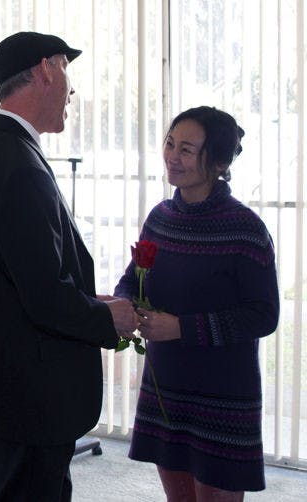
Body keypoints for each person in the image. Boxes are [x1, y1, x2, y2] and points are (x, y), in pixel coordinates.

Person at [0, 31, 140, 501]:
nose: (71, 91)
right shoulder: (16, 163)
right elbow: (43, 295)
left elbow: (15, 278)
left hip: (14, 387)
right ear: (47, 69)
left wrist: (91, 301)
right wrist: (108, 318)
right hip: (31, 394)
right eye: (67, 71)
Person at [114, 106, 278, 500]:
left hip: (222, 394)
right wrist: (123, 305)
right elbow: (134, 279)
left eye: (187, 149)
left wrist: (182, 327)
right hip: (167, 386)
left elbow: (263, 315)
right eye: (170, 143)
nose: (173, 155)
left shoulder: (245, 229)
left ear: (218, 162)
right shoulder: (161, 217)